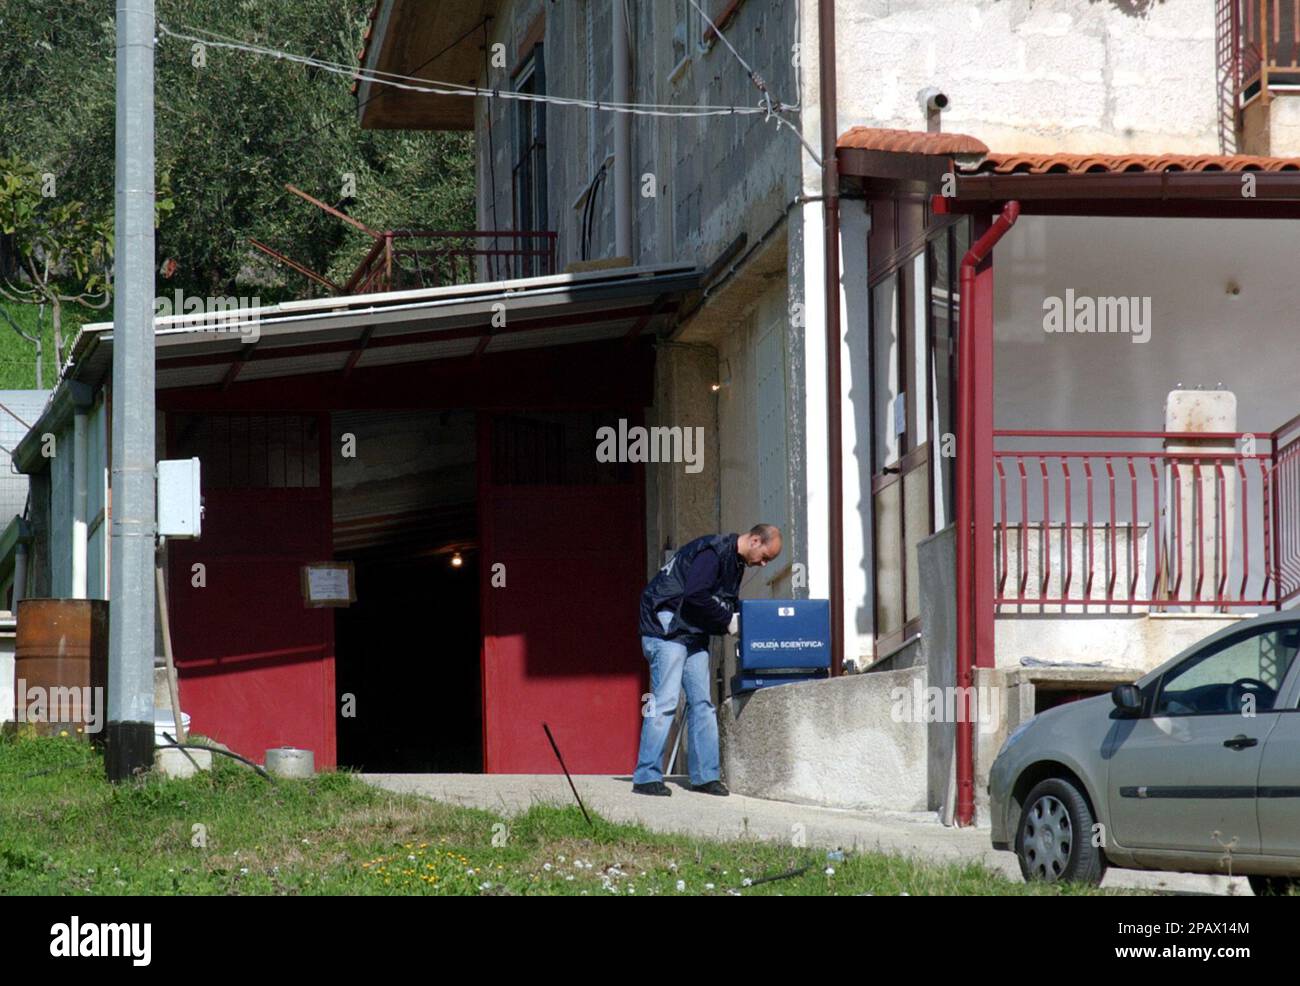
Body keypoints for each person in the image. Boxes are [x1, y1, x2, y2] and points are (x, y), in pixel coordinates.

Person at [632, 523, 783, 796]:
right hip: (666, 625)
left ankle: (705, 777)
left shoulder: (734, 563)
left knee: (702, 703)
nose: (763, 564)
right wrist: (728, 621)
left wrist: (746, 618)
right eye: (765, 556)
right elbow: (695, 595)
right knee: (665, 701)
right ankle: (646, 776)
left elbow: (721, 602)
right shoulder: (713, 552)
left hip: (691, 631)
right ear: (755, 541)